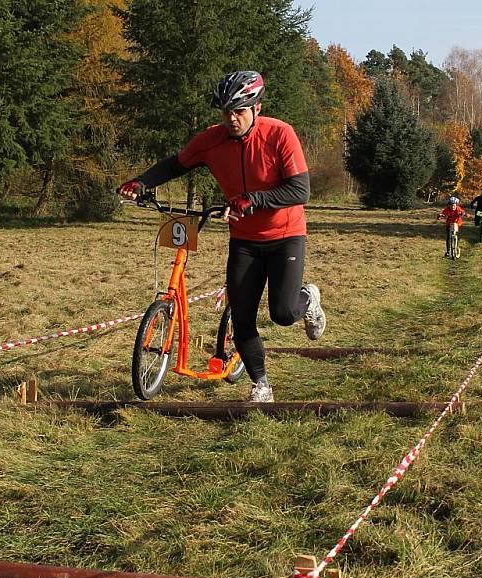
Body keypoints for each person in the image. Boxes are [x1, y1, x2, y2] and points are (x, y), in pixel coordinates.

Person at [117, 70, 326, 403]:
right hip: (244, 239)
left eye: (240, 110)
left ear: (258, 108)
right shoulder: (211, 140)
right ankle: (261, 385)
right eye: (227, 110)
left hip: (285, 235)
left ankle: (309, 298)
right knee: (241, 316)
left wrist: (254, 199)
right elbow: (175, 164)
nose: (232, 118)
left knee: (283, 313)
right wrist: (141, 182)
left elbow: (300, 190)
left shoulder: (281, 135)